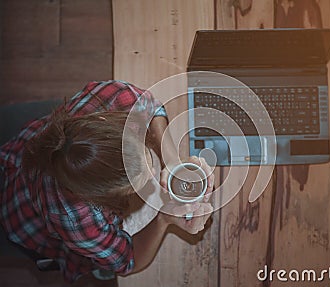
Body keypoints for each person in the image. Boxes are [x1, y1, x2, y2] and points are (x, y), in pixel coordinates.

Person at [0, 80, 214, 283]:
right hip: (23, 216)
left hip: (27, 147)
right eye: (136, 184)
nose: (154, 174)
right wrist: (163, 220)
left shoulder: (106, 99)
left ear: (104, 119)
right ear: (97, 199)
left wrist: (172, 160)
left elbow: (151, 106)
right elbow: (129, 260)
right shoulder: (77, 220)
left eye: (145, 152)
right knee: (99, 264)